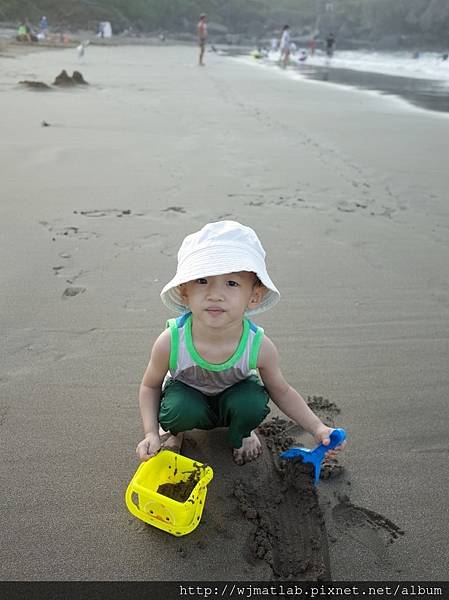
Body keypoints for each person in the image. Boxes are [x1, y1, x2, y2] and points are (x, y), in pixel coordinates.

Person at [136, 221, 346, 466]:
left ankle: (243, 434)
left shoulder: (259, 346)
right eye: (202, 280)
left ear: (254, 296)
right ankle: (177, 432)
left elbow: (282, 391)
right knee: (179, 409)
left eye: (232, 283)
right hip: (188, 397)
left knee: (251, 403)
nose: (215, 293)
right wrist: (151, 432)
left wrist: (318, 428)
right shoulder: (172, 341)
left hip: (234, 399)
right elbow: (150, 387)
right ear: (185, 292)